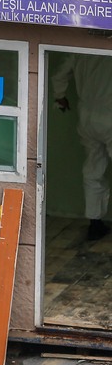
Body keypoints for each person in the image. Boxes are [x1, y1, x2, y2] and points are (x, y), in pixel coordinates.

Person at [51, 53, 112, 240]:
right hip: (110, 114)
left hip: (86, 117)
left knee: (93, 169)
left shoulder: (79, 51)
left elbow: (59, 75)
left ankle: (95, 223)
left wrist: (59, 96)